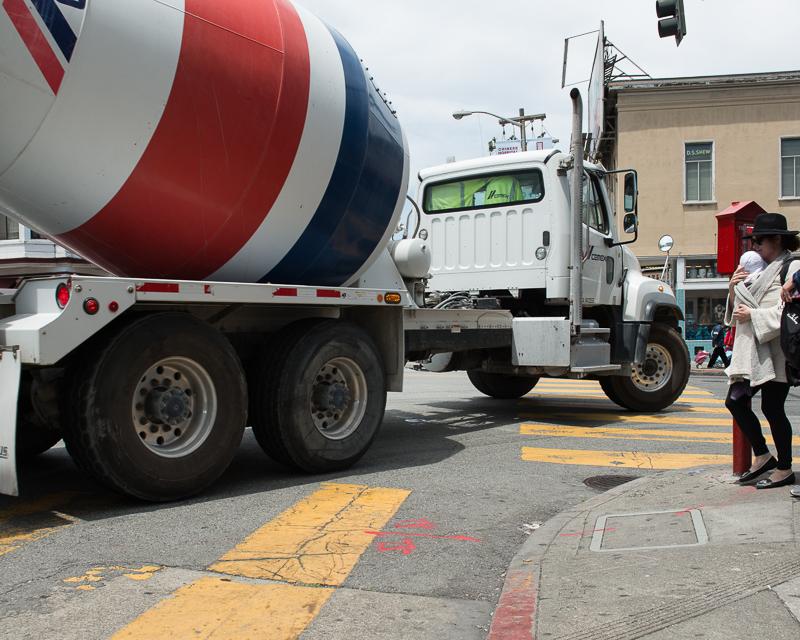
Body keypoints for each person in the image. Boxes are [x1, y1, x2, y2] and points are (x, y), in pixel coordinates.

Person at [724, 213, 800, 490]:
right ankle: (764, 456)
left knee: (772, 408)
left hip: (778, 353)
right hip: (754, 352)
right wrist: (734, 289)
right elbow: (737, 311)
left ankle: (784, 468)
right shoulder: (758, 269)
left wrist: (753, 315)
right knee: (735, 401)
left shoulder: (791, 267)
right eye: (753, 241)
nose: (755, 246)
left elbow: (788, 310)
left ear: (777, 239)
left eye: (759, 241)